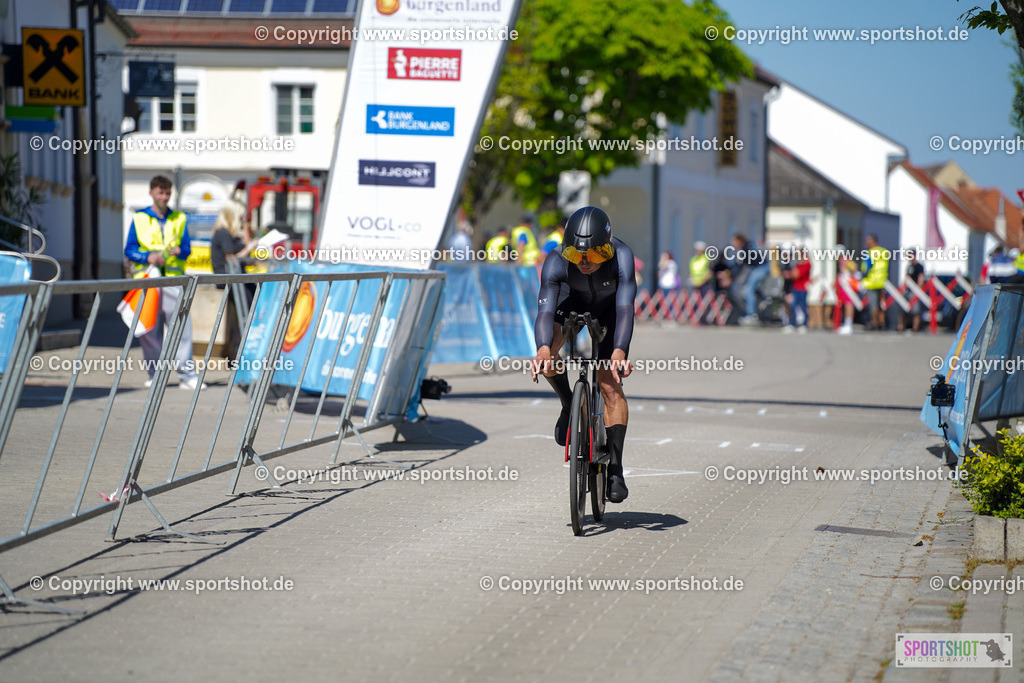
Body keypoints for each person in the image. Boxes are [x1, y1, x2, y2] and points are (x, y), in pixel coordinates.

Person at [530, 206, 636, 503]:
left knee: (609, 385)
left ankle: (615, 469)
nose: (585, 262)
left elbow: (626, 308)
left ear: (607, 248)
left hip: (611, 310)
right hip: (571, 304)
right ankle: (568, 403)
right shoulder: (555, 260)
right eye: (577, 255)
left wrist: (619, 351)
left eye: (594, 254)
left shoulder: (622, 256)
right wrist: (542, 349)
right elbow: (545, 312)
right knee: (548, 354)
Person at [124, 175, 206, 390]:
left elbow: (187, 249)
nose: (164, 197)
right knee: (149, 329)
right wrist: (147, 257)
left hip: (173, 279)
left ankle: (187, 375)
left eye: (168, 193)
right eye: (160, 192)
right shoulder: (140, 217)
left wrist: (180, 251)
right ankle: (155, 375)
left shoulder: (179, 218)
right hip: (148, 279)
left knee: (181, 326)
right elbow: (129, 249)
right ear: (151, 192)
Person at [210, 199, 258, 278]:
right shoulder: (223, 233)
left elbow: (241, 258)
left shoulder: (230, 234)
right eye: (240, 217)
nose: (242, 220)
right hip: (227, 278)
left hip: (236, 276)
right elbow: (232, 262)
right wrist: (248, 248)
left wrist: (257, 262)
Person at [861, 234, 888, 330]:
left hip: (872, 282)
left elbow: (866, 268)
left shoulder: (870, 253)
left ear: (872, 241)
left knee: (873, 305)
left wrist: (863, 276)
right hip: (882, 281)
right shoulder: (884, 252)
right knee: (881, 305)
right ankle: (882, 323)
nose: (866, 242)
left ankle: (874, 323)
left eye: (868, 240)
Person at [897, 249, 925, 333]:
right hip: (908, 290)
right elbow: (907, 278)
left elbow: (921, 278)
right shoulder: (909, 266)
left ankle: (915, 327)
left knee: (916, 310)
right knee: (903, 309)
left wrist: (918, 290)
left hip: (915, 290)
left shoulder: (919, 267)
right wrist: (903, 288)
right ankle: (901, 326)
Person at [784, 247, 811, 333]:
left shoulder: (807, 264)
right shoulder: (798, 264)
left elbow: (796, 275)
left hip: (802, 289)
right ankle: (792, 323)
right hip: (795, 288)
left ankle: (804, 325)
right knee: (793, 305)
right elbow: (792, 273)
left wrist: (791, 274)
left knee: (803, 306)